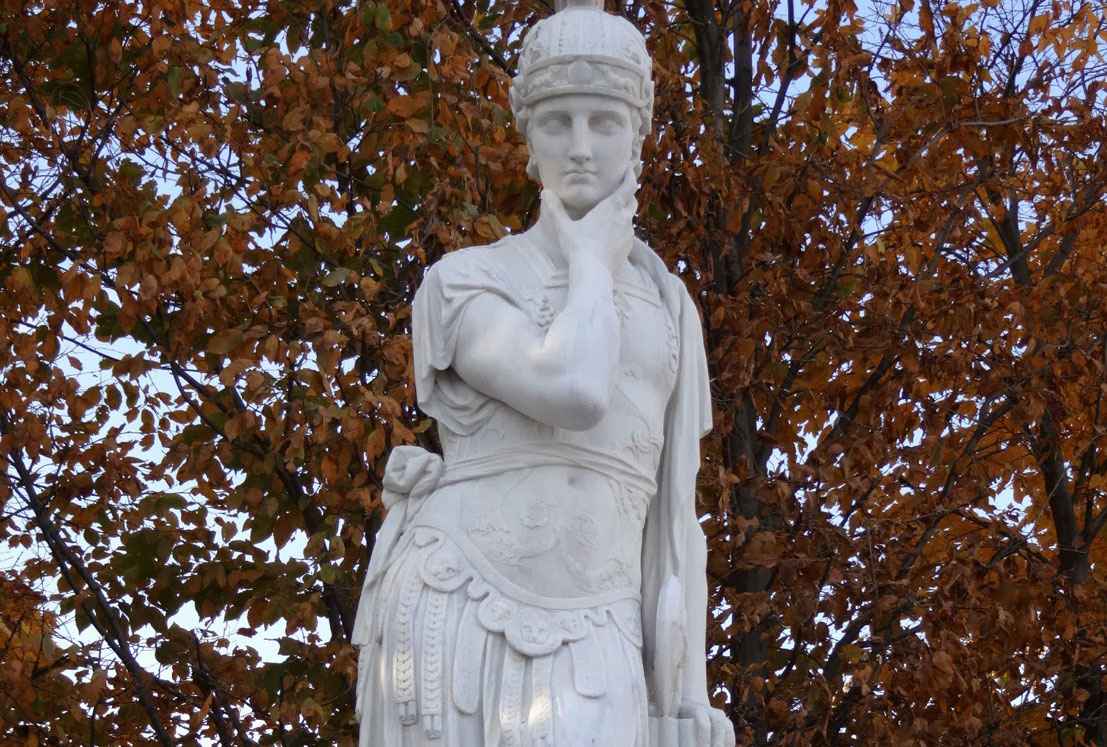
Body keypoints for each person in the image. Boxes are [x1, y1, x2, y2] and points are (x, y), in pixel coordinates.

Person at [352, 1, 735, 744]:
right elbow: (574, 389)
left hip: (601, 626)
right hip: (459, 604)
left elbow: (674, 513)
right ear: (528, 138)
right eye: (558, 122)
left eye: (605, 122)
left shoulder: (668, 304)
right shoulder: (467, 280)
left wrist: (687, 692)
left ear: (637, 136)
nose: (581, 147)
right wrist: (591, 262)